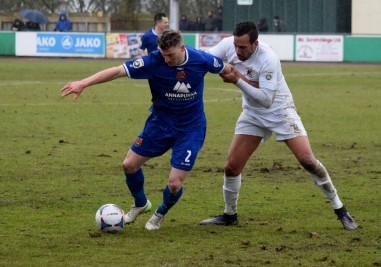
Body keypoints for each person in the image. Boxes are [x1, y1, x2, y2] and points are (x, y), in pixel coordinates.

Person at [61, 30, 232, 231]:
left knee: (175, 184)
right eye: (163, 54)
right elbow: (117, 71)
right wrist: (84, 83)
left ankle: (159, 213)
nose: (166, 59)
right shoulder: (153, 61)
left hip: (190, 129)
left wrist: (244, 81)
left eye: (171, 55)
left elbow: (227, 68)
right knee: (129, 165)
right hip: (159, 124)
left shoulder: (202, 59)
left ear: (182, 48)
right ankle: (140, 203)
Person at [200, 21, 358, 231]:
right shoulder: (229, 44)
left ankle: (341, 210)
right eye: (236, 46)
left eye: (243, 48)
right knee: (231, 167)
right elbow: (205, 59)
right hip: (253, 114)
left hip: (280, 111)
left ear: (255, 44)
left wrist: (237, 78)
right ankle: (230, 215)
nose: (237, 52)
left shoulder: (268, 59)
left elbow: (266, 99)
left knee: (308, 161)